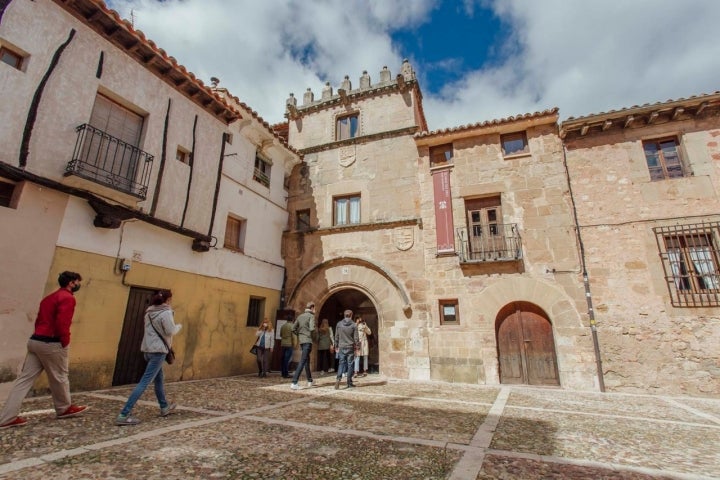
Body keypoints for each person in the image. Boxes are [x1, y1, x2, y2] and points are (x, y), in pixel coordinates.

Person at [0, 271, 88, 429]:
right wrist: (64, 340)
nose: (78, 285)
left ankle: (7, 417)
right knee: (60, 375)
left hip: (35, 340)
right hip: (51, 342)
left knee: (24, 380)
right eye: (77, 282)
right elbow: (63, 322)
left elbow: (40, 319)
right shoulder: (67, 298)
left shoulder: (49, 298)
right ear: (71, 283)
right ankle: (64, 408)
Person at [116, 289, 181, 425]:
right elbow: (170, 331)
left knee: (159, 379)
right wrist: (178, 327)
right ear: (168, 300)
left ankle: (164, 407)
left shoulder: (149, 312)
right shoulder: (166, 313)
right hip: (159, 351)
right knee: (144, 382)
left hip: (148, 350)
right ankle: (124, 414)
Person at [290, 301, 316, 390]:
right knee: (303, 361)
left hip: (302, 341)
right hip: (308, 341)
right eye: (314, 308)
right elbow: (312, 329)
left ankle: (310, 380)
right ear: (312, 308)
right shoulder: (311, 316)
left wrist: (300, 334)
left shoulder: (300, 316)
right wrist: (313, 338)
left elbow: (293, 328)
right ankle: (294, 382)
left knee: (306, 361)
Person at [334, 309, 359, 390]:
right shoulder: (354, 325)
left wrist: (336, 346)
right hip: (350, 347)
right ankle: (349, 382)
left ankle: (338, 379)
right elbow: (356, 338)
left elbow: (336, 336)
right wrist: (357, 347)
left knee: (341, 363)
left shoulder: (339, 324)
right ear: (351, 315)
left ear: (344, 315)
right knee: (350, 364)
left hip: (341, 346)